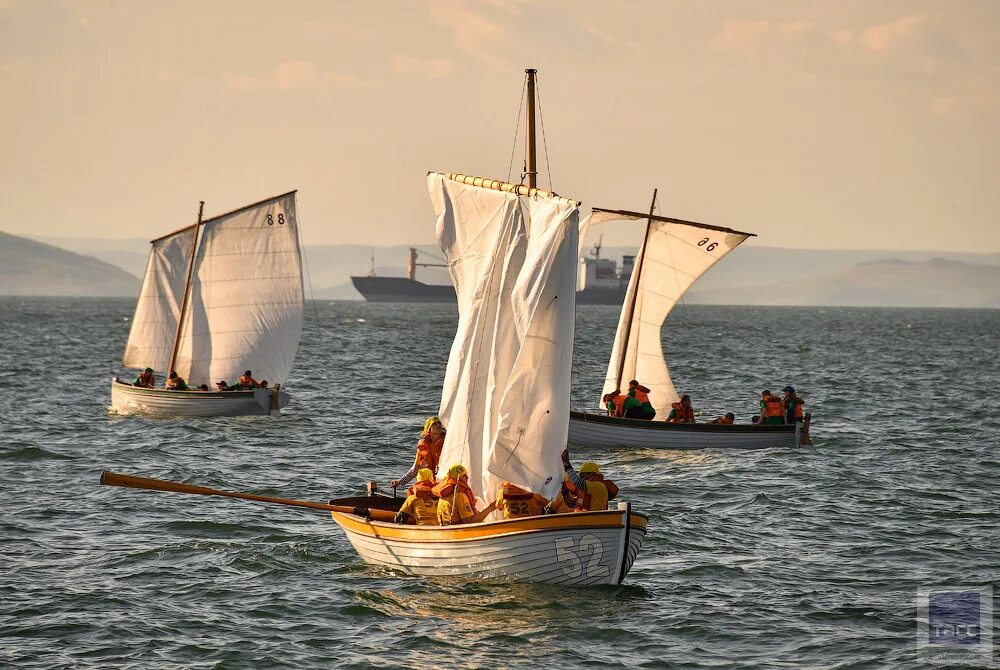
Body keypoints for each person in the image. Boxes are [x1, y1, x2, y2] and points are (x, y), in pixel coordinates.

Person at [390, 416, 447, 490]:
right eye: (434, 424)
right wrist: (400, 482)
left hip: (443, 480)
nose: (438, 425)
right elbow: (414, 470)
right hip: (429, 482)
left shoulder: (447, 442)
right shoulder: (422, 448)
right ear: (428, 429)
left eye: (439, 423)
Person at [432, 464, 496, 525]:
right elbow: (469, 521)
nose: (467, 477)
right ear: (458, 478)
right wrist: (490, 508)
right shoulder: (459, 495)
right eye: (464, 475)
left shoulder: (444, 493)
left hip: (446, 531)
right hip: (458, 533)